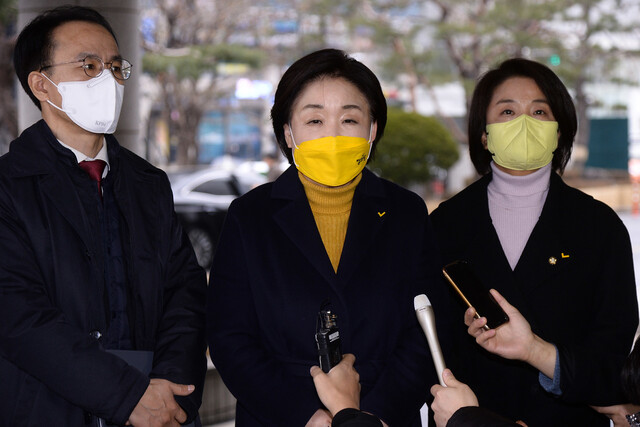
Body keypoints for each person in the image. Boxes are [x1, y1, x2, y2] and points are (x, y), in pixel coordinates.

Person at [207, 48, 443, 426]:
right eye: (314, 119)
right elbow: (229, 337)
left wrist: (372, 415)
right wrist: (308, 417)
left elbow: (426, 331)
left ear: (373, 129)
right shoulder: (249, 217)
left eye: (349, 118)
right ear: (288, 131)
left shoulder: (407, 213)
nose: (332, 133)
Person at [0, 6, 207, 426]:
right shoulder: (9, 187)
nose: (108, 80)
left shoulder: (149, 184)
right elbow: (20, 318)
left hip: (159, 408)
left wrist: (171, 386)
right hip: (48, 409)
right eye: (89, 66)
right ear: (42, 84)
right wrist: (127, 396)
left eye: (115, 67)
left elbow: (185, 294)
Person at [429, 57, 639, 426]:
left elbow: (613, 362)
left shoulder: (600, 227)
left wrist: (541, 355)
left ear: (559, 131)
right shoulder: (445, 223)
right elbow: (424, 346)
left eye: (539, 111)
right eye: (507, 111)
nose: (524, 122)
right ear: (483, 132)